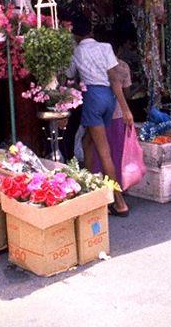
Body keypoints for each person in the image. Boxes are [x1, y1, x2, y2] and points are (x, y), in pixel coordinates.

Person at [67, 18, 133, 216]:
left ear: (76, 35)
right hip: (108, 98)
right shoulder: (105, 47)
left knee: (104, 152)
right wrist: (124, 107)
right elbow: (114, 79)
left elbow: (70, 76)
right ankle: (92, 191)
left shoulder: (77, 52)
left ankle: (119, 202)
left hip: (92, 98)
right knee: (88, 142)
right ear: (91, 31)